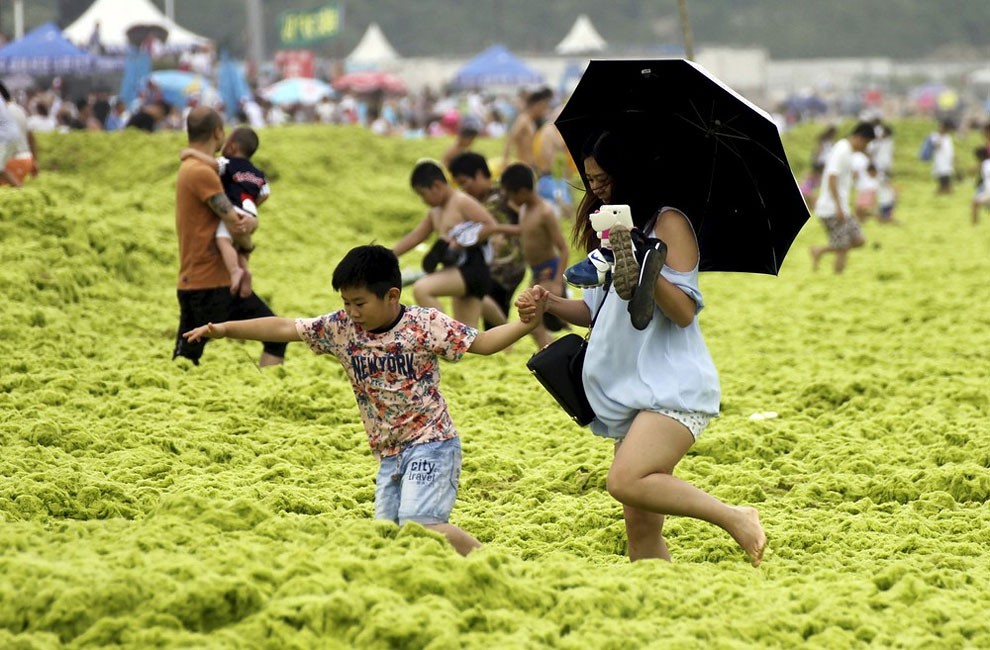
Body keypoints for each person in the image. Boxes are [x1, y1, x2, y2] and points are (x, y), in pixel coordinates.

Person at [183, 244, 546, 556]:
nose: (353, 312)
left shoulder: (424, 324)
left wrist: (527, 326)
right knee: (387, 536)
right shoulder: (341, 328)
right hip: (388, 453)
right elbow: (283, 327)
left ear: (392, 295)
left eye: (360, 303)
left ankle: (490, 563)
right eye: (346, 303)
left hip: (433, 442)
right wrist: (224, 329)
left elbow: (482, 343)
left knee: (420, 525)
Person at [514, 131, 767, 566]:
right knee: (641, 528)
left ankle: (735, 517)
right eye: (590, 180)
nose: (596, 188)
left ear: (629, 173)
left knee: (625, 480)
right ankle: (656, 594)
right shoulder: (607, 229)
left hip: (672, 385)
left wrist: (642, 259)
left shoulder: (668, 223)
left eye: (604, 178)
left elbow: (684, 311)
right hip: (627, 388)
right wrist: (548, 303)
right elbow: (595, 311)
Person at [172, 106, 285, 367]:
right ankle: (267, 387)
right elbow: (236, 224)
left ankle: (266, 387)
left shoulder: (200, 168)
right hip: (206, 282)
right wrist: (250, 238)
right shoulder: (201, 171)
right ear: (217, 133)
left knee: (275, 336)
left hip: (213, 280)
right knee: (186, 358)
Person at [392, 159, 499, 330]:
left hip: (473, 267)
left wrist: (461, 242)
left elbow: (490, 225)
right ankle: (454, 335)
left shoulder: (461, 201)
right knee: (466, 333)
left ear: (437, 186)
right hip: (455, 270)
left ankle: (444, 332)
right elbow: (416, 237)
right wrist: (388, 255)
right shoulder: (435, 211)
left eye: (423, 194)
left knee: (422, 289)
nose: (423, 200)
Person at [181, 126, 270, 298]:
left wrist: (191, 153)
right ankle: (246, 270)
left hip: (234, 209)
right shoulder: (258, 173)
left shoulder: (228, 163)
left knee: (223, 240)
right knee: (240, 247)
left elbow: (212, 164)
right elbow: (265, 193)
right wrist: (253, 208)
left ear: (232, 146)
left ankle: (235, 271)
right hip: (250, 212)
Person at [447, 152, 524, 330]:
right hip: (489, 268)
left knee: (489, 319)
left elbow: (529, 222)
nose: (464, 189)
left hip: (504, 269)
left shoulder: (506, 196)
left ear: (480, 174)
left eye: (465, 182)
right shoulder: (472, 203)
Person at [498, 163, 569, 348]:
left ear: (522, 191)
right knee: (532, 321)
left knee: (533, 321)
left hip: (549, 271)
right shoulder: (524, 209)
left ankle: (549, 353)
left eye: (511, 195)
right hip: (536, 273)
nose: (509, 199)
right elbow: (524, 230)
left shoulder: (545, 212)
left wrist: (557, 282)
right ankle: (549, 348)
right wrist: (495, 228)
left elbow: (563, 248)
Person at [809, 122, 876, 274]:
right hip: (831, 208)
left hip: (841, 207)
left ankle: (819, 250)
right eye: (866, 143)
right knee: (842, 247)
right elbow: (832, 178)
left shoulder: (848, 151)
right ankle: (837, 278)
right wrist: (838, 207)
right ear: (859, 138)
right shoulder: (842, 150)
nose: (865, 147)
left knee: (859, 240)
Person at [501, 86, 553, 170]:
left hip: (532, 165)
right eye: (543, 107)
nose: (544, 111)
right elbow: (510, 140)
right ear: (536, 105)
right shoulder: (523, 120)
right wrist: (505, 162)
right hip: (524, 164)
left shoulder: (531, 121)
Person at [929, 119, 956, 195]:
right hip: (940, 160)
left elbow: (950, 149)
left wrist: (953, 157)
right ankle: (944, 190)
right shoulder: (935, 136)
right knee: (942, 176)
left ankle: (944, 190)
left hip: (947, 160)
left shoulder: (948, 137)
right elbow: (936, 145)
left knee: (947, 176)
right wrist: (941, 136)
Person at [972, 146, 990, 226]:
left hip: (988, 194)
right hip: (987, 193)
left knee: (975, 203)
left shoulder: (984, 164)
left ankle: (975, 225)